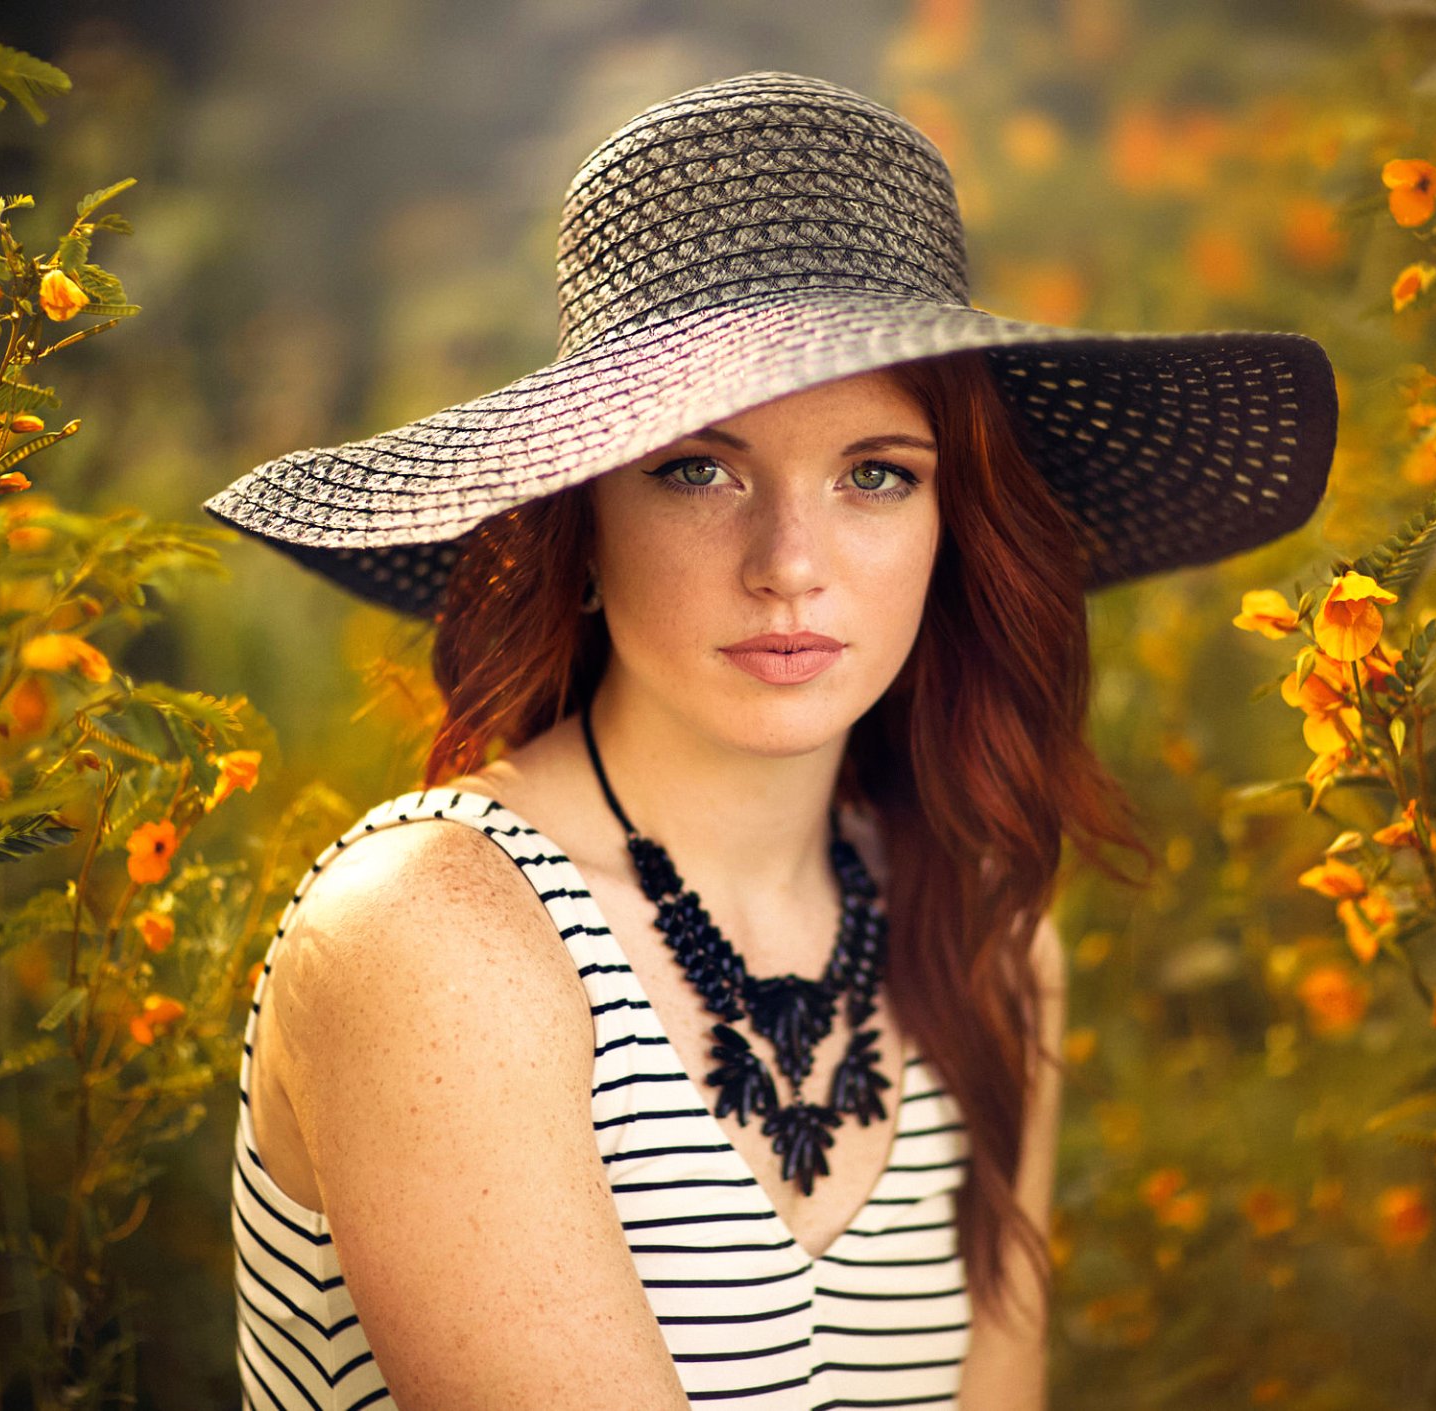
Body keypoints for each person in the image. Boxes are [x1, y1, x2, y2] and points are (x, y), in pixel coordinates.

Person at [204, 70, 1336, 1411]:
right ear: (581, 525)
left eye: (877, 475)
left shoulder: (985, 942)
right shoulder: (437, 938)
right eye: (699, 469)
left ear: (954, 532)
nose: (790, 564)